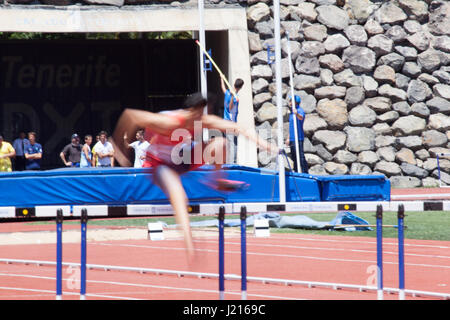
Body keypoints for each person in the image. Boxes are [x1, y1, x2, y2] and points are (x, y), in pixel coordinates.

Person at [110, 92, 278, 260]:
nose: (202, 118)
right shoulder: (168, 121)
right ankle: (189, 243)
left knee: (221, 143)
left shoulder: (201, 120)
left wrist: (266, 145)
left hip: (182, 158)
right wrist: (119, 149)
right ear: (192, 111)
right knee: (180, 196)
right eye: (201, 112)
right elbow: (130, 115)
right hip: (159, 164)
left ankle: (216, 179)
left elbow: (237, 128)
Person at [220, 77, 244, 164]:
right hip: (230, 123)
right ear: (241, 87)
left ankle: (228, 161)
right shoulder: (235, 98)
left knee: (230, 142)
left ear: (234, 85)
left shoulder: (227, 93)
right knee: (232, 143)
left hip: (226, 122)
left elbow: (223, 88)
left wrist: (222, 79)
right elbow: (230, 109)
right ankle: (232, 162)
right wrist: (234, 97)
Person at [285, 95, 308, 174]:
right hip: (292, 138)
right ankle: (296, 172)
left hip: (298, 138)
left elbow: (301, 117)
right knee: (294, 156)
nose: (290, 103)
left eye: (291, 101)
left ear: (295, 102)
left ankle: (304, 172)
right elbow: (291, 127)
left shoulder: (299, 110)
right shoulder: (292, 113)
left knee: (300, 156)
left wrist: (297, 114)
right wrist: (288, 138)